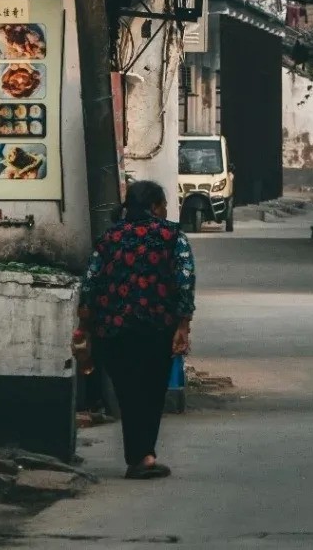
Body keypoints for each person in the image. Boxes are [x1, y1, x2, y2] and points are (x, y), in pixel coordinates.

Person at [76, 179, 196, 480]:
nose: (166, 210)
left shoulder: (108, 238)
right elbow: (184, 280)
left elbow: (90, 282)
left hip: (113, 331)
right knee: (152, 392)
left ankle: (140, 456)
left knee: (128, 393)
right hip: (156, 327)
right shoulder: (171, 236)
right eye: (164, 204)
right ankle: (143, 456)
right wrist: (183, 324)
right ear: (155, 206)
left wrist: (85, 326)